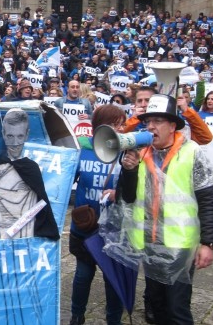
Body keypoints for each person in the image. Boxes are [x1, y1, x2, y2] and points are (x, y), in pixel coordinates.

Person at [118, 94, 213, 324]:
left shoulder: (193, 152)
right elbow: (129, 197)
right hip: (149, 241)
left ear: (173, 125)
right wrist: (129, 171)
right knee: (155, 306)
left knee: (177, 309)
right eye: (148, 121)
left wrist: (208, 242)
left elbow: (207, 200)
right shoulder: (141, 151)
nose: (151, 127)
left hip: (180, 245)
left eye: (158, 121)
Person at [69, 105, 126, 325]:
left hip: (114, 228)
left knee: (113, 280)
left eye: (121, 123)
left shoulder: (125, 152)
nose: (120, 128)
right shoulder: (82, 150)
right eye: (115, 123)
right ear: (99, 126)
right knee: (83, 275)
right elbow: (65, 183)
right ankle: (76, 315)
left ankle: (114, 320)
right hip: (85, 227)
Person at [0, 108, 60, 240]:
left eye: (20, 136)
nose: (15, 143)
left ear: (27, 135)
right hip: (0, 240)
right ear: (3, 134)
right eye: (10, 136)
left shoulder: (33, 169)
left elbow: (41, 208)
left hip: (27, 240)